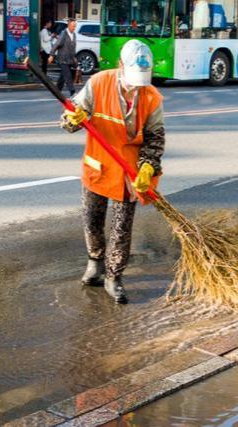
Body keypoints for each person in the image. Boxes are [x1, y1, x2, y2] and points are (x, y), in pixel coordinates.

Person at [60, 40, 165, 304]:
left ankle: (113, 277)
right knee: (92, 220)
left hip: (128, 172)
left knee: (121, 227)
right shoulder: (98, 83)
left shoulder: (152, 97)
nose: (135, 87)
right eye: (132, 80)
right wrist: (73, 120)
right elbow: (71, 115)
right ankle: (95, 264)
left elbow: (155, 138)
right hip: (98, 164)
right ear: (120, 66)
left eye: (141, 81)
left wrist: (148, 167)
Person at [49, 18, 78, 97]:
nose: (74, 28)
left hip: (70, 59)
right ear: (68, 26)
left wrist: (74, 57)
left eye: (75, 26)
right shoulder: (63, 34)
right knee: (67, 75)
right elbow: (57, 44)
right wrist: (51, 55)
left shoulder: (74, 34)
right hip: (62, 58)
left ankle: (57, 90)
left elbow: (73, 47)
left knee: (64, 75)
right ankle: (72, 91)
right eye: (73, 26)